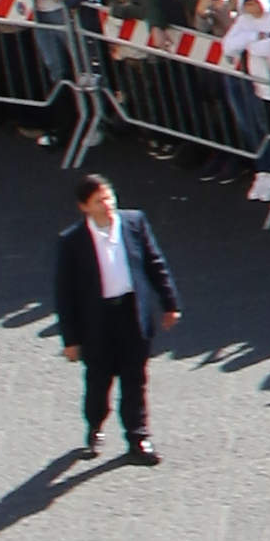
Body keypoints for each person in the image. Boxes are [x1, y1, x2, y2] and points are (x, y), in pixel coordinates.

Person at [52, 167, 181, 467]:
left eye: (108, 197)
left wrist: (169, 302)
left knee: (135, 378)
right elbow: (65, 293)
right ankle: (95, 425)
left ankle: (138, 437)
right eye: (98, 201)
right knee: (99, 380)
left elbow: (154, 263)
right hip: (97, 321)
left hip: (132, 312)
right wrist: (70, 339)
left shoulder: (134, 222)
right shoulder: (72, 242)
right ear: (84, 207)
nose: (106, 205)